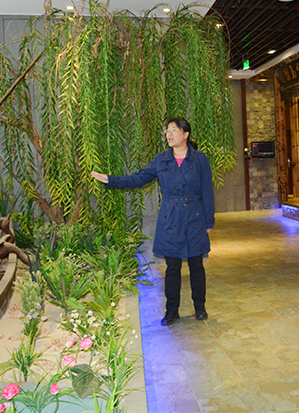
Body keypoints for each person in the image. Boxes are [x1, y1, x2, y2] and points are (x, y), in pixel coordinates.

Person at [91, 117, 215, 325]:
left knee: (196, 267)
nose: (169, 134)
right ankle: (172, 311)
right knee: (172, 269)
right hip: (171, 218)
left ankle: (200, 307)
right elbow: (138, 178)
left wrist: (208, 222)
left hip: (194, 218)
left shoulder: (199, 159)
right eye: (167, 131)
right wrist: (111, 180)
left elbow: (207, 191)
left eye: (174, 130)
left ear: (185, 134)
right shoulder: (161, 159)